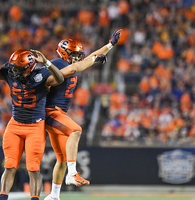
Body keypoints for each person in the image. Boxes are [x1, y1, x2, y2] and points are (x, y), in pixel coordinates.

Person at [0, 36, 65, 200]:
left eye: (17, 69)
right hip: (15, 124)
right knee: (9, 165)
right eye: (13, 68)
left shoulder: (40, 76)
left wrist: (47, 62)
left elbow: (60, 79)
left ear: (29, 68)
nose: (12, 72)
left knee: (33, 169)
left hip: (35, 127)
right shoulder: (11, 72)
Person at [44, 30, 121, 200]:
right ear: (64, 53)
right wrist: (93, 59)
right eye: (74, 54)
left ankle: (54, 196)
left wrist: (110, 45)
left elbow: (90, 58)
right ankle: (72, 174)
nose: (78, 58)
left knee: (62, 159)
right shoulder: (58, 63)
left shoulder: (71, 63)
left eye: (79, 55)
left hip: (57, 113)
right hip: (49, 111)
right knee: (75, 130)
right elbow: (76, 67)